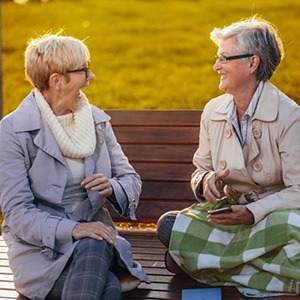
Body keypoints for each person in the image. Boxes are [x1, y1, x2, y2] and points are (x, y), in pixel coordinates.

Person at [157, 17, 300, 297]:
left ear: (252, 63)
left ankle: (210, 272)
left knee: (293, 227)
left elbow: (299, 190)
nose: (216, 67)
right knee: (169, 225)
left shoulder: (290, 116)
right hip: (230, 217)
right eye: (217, 58)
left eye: (224, 58)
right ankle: (260, 273)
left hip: (274, 218)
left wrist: (252, 213)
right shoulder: (213, 110)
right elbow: (201, 168)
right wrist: (205, 181)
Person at [0, 32, 149, 300]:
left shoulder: (96, 120)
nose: (91, 77)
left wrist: (112, 187)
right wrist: (73, 230)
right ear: (57, 81)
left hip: (94, 239)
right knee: (109, 285)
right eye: (83, 70)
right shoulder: (11, 131)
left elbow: (130, 179)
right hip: (40, 253)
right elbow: (17, 213)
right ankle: (106, 271)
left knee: (95, 245)